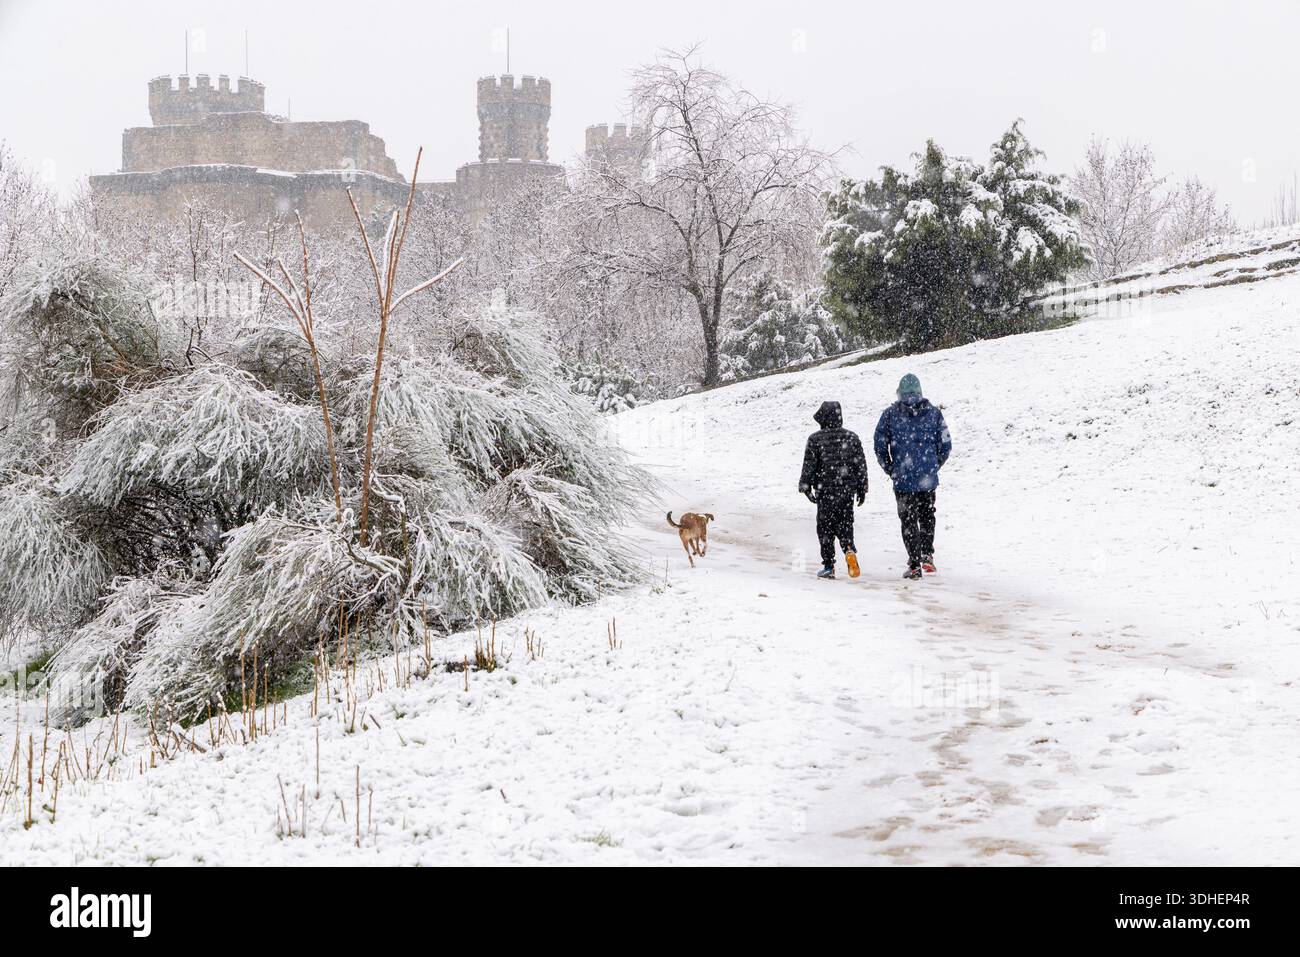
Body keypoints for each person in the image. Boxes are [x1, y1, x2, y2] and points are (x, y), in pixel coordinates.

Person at [873, 374, 951, 580]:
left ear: (900, 392)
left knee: (908, 520)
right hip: (927, 477)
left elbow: (879, 445)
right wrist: (933, 465)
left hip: (903, 478)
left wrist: (891, 469)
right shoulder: (934, 414)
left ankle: (914, 563)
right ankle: (927, 555)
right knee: (927, 516)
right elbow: (946, 444)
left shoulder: (889, 415)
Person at [798, 401, 868, 579]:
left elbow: (809, 466)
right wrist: (862, 488)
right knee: (845, 525)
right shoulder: (852, 437)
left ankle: (829, 565)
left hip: (825, 492)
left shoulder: (815, 439)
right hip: (846, 492)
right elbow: (860, 465)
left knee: (825, 529)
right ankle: (849, 550)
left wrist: (806, 486)